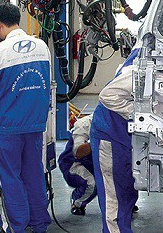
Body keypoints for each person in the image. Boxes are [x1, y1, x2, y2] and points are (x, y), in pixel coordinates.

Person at [0, 3, 52, 233]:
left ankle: (16, 227)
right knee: (34, 174)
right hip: (36, 124)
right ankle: (39, 225)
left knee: (10, 178)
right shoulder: (42, 46)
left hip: (7, 127)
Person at [91, 54, 138, 233]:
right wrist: (141, 113)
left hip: (125, 137)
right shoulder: (139, 68)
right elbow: (108, 95)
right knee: (114, 198)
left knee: (126, 191)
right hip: (110, 134)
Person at [58, 114, 96, 216]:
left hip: (94, 162)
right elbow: (78, 153)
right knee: (92, 183)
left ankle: (126, 204)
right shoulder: (83, 125)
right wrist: (97, 141)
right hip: (73, 163)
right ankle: (77, 203)